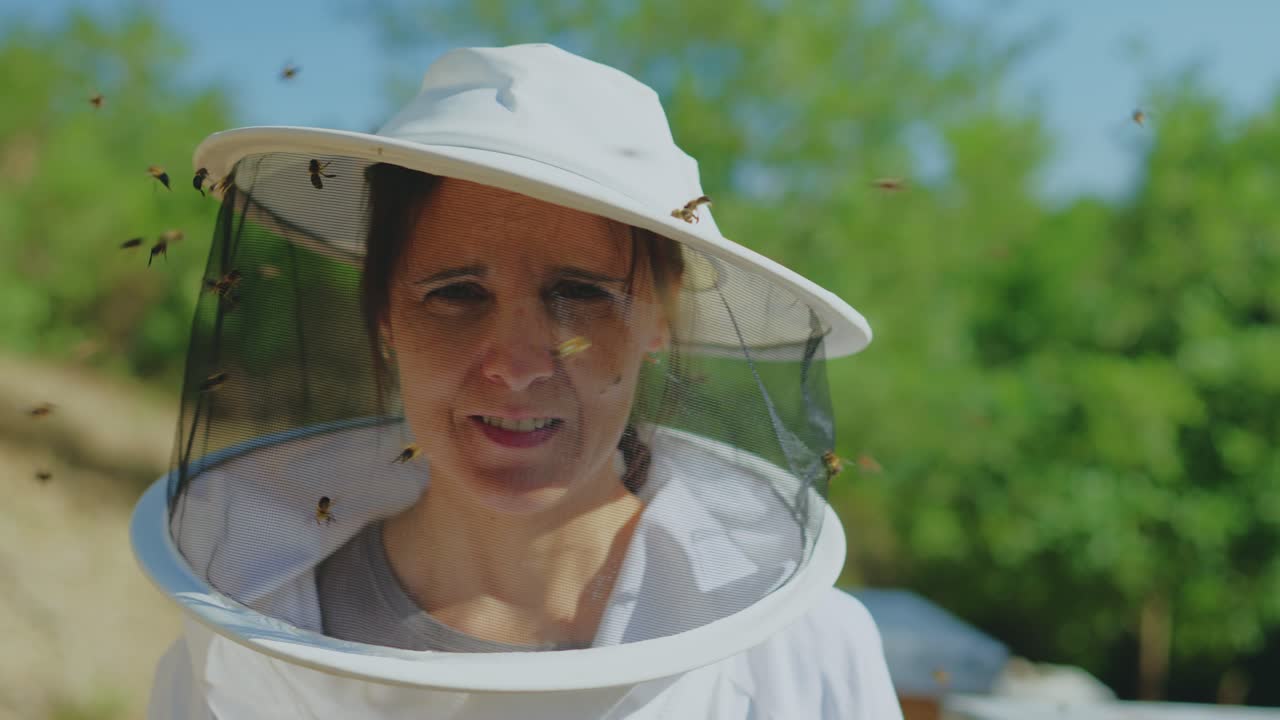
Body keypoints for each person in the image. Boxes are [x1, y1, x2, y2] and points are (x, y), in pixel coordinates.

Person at [131, 43, 902, 719]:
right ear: (384, 320)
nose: (516, 363)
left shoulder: (804, 652)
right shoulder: (242, 643)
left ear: (656, 321)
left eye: (584, 295)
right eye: (456, 293)